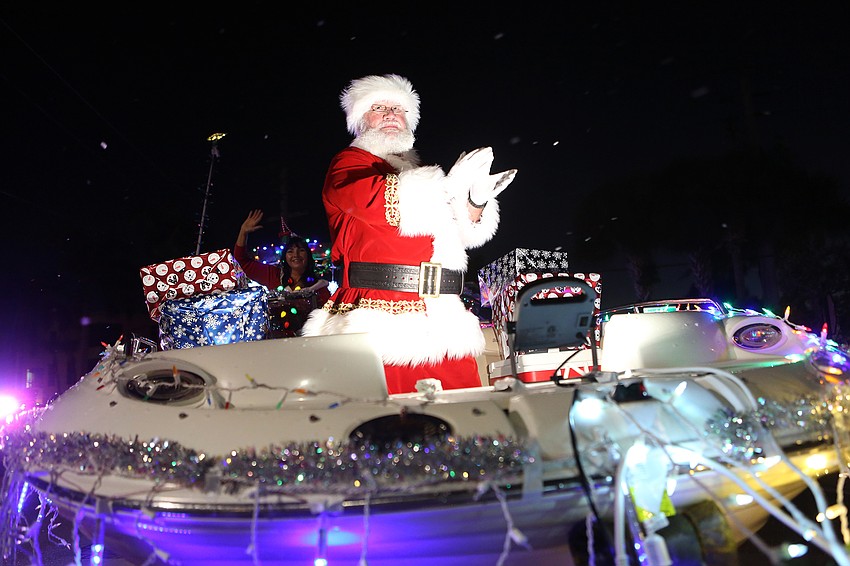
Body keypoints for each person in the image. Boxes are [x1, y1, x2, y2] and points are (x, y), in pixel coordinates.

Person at [301, 73, 517, 394]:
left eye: (398, 109)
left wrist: (473, 199)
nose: (390, 114)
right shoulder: (349, 163)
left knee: (465, 413)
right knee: (388, 418)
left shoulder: (414, 173)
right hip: (378, 312)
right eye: (379, 107)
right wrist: (448, 188)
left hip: (441, 315)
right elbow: (376, 202)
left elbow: (459, 232)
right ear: (361, 120)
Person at [233, 210, 331, 305]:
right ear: (285, 257)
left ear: (308, 256)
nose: (296, 255)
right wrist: (243, 232)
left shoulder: (319, 286)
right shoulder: (273, 275)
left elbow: (328, 315)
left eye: (301, 250)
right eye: (290, 251)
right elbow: (241, 262)